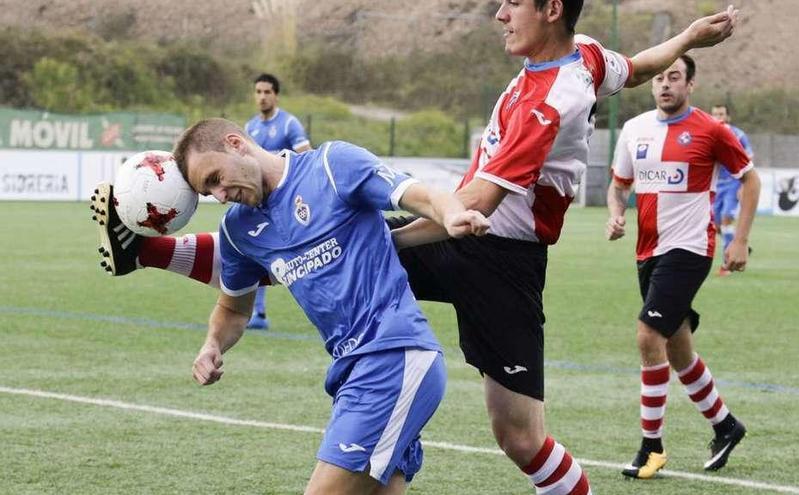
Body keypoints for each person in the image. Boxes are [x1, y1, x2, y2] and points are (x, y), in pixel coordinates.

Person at [92, 2, 739, 492]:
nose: (497, 13)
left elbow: (475, 206)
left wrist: (372, 236)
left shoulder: (550, 100)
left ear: (549, 10)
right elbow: (637, 70)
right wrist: (687, 38)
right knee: (317, 256)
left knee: (519, 436)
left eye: (512, 1)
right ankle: (144, 253)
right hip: (464, 231)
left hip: (500, 258)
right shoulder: (587, 55)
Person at [178, 117, 488, 494]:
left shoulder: (332, 165)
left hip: (394, 356)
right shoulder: (238, 232)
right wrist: (212, 344)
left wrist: (451, 213)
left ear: (236, 144)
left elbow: (421, 196)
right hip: (350, 373)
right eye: (209, 192)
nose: (221, 194)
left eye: (215, 178)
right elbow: (233, 309)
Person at [606, 54, 760, 479]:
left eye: (674, 77)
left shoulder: (712, 131)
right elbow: (618, 186)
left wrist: (741, 240)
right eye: (659, 78)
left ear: (690, 85)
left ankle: (651, 447)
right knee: (676, 347)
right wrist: (615, 213)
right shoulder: (634, 130)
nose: (665, 85)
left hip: (690, 249)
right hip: (647, 252)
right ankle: (726, 425)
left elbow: (750, 179)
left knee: (647, 334)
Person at [243, 73, 312, 329]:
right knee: (252, 253)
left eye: (267, 92)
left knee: (309, 256)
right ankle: (258, 314)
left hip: (287, 203)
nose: (262, 97)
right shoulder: (250, 128)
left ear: (276, 95)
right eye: (258, 92)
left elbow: (307, 159)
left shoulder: (288, 125)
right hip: (259, 204)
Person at [710, 103, 754, 276]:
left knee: (727, 220)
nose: (718, 118)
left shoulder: (738, 134)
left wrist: (743, 185)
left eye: (721, 114)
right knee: (717, 226)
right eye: (715, 114)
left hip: (733, 183)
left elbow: (749, 160)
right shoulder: (708, 133)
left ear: (727, 117)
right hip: (716, 185)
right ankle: (739, 245)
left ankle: (726, 265)